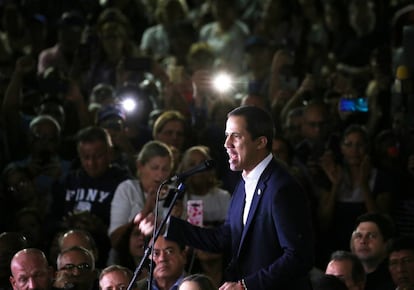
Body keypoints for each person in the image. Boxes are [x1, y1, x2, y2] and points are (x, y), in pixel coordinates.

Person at [138, 105, 315, 289]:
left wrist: (246, 286)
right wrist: (165, 227)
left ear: (261, 142)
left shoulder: (282, 188)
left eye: (236, 136)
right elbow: (225, 238)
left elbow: (299, 257)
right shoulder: (244, 182)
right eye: (227, 135)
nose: (227, 143)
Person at [350, 212, 395, 290]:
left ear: (387, 243)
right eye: (359, 236)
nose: (363, 241)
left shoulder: (396, 278)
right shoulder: (346, 275)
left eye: (371, 236)